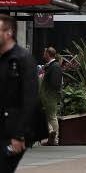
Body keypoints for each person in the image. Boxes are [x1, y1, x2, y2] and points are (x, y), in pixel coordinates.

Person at [0, 15, 40, 172]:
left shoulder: (23, 59)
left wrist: (19, 136)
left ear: (8, 32)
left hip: (12, 133)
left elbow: (30, 100)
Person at [38, 48, 62, 146]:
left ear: (48, 54)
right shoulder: (50, 66)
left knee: (52, 116)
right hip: (46, 96)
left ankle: (54, 138)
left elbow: (55, 83)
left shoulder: (55, 66)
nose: (43, 55)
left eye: (44, 53)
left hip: (50, 97)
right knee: (48, 116)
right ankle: (51, 136)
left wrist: (49, 93)